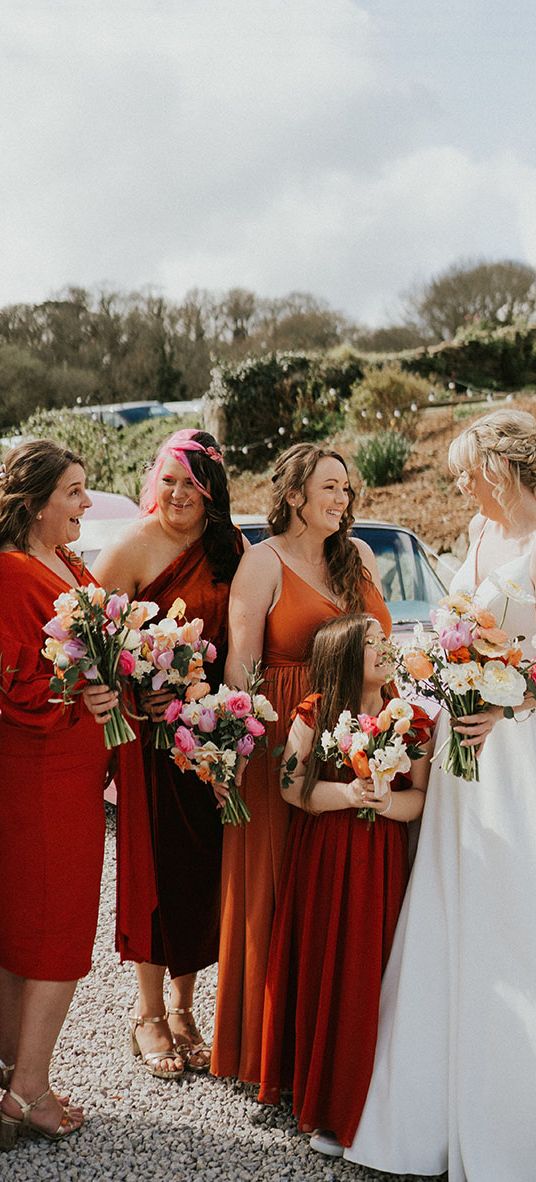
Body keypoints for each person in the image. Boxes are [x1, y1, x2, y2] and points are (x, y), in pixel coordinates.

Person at [344, 408, 536, 1180]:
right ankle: (423, 1113)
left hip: (517, 750)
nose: (457, 484)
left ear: (501, 467)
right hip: (463, 749)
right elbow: (455, 630)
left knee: (508, 911)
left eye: (464, 471)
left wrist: (516, 699)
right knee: (451, 905)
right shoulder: (482, 537)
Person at [211, 442, 392, 1084]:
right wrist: (237, 743)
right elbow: (240, 663)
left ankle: (328, 1048)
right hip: (281, 727)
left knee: (337, 888)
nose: (342, 500)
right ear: (294, 496)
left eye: (347, 489)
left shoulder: (361, 558)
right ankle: (265, 1051)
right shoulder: (263, 563)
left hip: (359, 733)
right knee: (274, 880)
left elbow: (382, 643)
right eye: (329, 488)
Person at [93, 429, 245, 1079]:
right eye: (169, 480)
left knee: (200, 872)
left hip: (206, 736)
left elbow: (242, 641)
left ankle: (185, 1009)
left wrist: (230, 728)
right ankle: (146, 1014)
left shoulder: (229, 548)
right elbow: (87, 645)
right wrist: (132, 699)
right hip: (150, 742)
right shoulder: (130, 547)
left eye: (192, 482)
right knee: (152, 874)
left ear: (212, 490)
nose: (178, 493)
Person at [258, 614, 432, 1151]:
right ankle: (308, 1085)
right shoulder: (315, 711)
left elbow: (419, 799)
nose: (384, 647)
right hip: (324, 855)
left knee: (363, 965)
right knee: (319, 958)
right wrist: (348, 796)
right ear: (342, 655)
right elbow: (291, 786)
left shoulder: (414, 719)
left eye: (385, 639)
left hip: (379, 860)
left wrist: (384, 802)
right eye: (370, 642)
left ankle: (352, 1095)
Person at [0, 441, 119, 1148]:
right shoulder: (11, 575)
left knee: (28, 928)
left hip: (74, 773)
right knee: (56, 932)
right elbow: (14, 679)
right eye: (74, 492)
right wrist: (76, 689)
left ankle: (13, 1070)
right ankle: (30, 1094)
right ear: (37, 502)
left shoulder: (68, 564)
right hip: (38, 774)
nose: (86, 504)